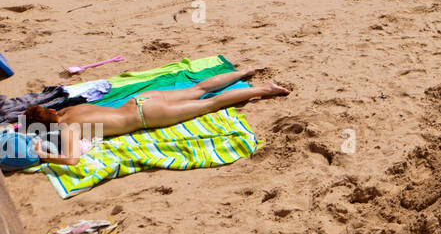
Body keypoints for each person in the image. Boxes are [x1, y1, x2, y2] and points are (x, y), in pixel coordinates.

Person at [0, 66, 288, 170]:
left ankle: (265, 89)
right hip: (138, 101)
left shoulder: (67, 129)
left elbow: (74, 160)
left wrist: (43, 154)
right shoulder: (66, 111)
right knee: (197, 89)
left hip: (146, 116)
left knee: (208, 105)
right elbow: (33, 120)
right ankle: (243, 72)